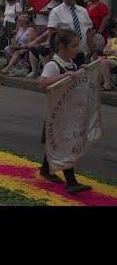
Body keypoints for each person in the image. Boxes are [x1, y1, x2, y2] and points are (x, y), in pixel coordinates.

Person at [37, 29, 92, 194]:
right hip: (57, 115)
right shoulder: (53, 65)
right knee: (65, 147)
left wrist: (81, 71)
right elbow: (42, 83)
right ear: (62, 47)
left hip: (69, 114)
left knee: (57, 144)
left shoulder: (71, 63)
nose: (77, 49)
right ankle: (71, 182)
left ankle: (46, 170)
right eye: (74, 46)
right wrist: (64, 76)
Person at [48, 0, 96, 67]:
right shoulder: (56, 11)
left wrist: (94, 51)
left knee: (80, 77)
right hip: (64, 54)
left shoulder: (83, 11)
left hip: (81, 53)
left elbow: (88, 33)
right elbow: (52, 34)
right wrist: (53, 53)